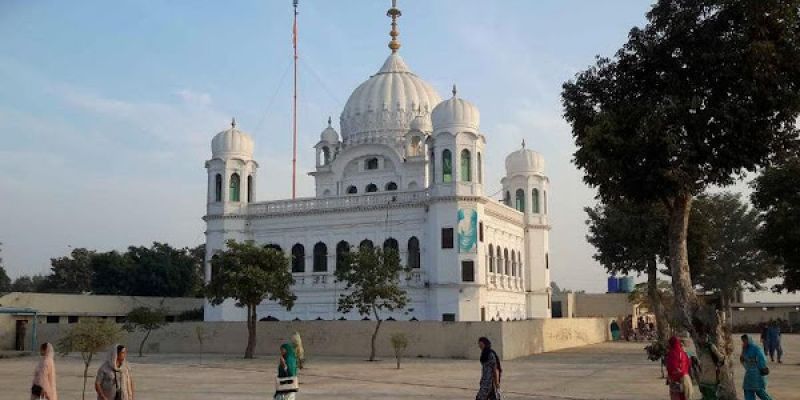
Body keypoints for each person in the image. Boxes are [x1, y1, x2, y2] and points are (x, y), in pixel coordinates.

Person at [740, 334, 772, 400]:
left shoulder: (756, 348)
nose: (744, 342)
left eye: (745, 340)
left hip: (757, 374)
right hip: (749, 375)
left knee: (760, 391)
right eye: (743, 340)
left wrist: (763, 368)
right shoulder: (744, 349)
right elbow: (743, 361)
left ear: (749, 340)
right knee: (748, 391)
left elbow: (761, 359)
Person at [696, 333, 724, 400]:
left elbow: (720, 357)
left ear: (707, 338)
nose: (703, 340)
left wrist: (719, 363)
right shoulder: (700, 348)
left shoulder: (711, 346)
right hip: (703, 375)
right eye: (701, 338)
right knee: (705, 395)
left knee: (711, 395)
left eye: (704, 338)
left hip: (711, 374)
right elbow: (700, 360)